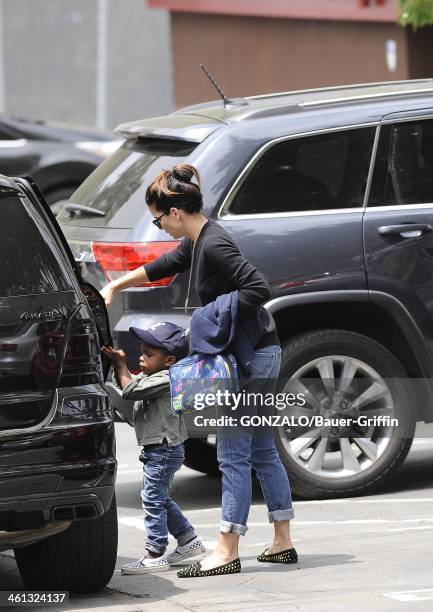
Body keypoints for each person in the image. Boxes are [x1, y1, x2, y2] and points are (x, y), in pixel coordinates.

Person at [101, 163, 296, 578]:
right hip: (262, 350)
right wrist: (117, 284)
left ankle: (227, 548)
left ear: (175, 212)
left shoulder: (214, 245)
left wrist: (212, 314)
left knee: (233, 451)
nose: (159, 228)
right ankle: (282, 540)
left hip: (249, 358)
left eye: (158, 219)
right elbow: (165, 264)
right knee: (260, 449)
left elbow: (258, 288)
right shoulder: (200, 238)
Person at [102, 321, 205, 574]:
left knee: (151, 499)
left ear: (169, 360)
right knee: (159, 497)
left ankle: (155, 553)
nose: (142, 357)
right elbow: (127, 387)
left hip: (163, 449)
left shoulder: (167, 378)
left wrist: (121, 365)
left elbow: (130, 391)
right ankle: (189, 541)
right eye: (142, 352)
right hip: (159, 449)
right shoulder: (154, 376)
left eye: (149, 354)